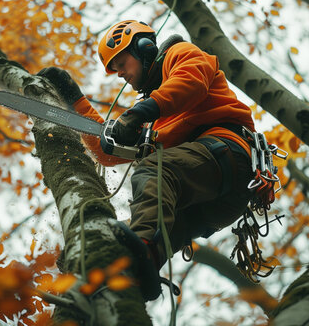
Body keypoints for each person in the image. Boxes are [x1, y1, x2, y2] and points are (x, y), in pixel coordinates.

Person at [38, 20, 255, 301]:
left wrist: (139, 113)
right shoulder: (157, 116)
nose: (121, 75)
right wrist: (74, 99)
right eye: (115, 70)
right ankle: (127, 282)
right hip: (210, 203)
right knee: (117, 240)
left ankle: (140, 251)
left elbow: (190, 83)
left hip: (225, 151)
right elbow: (108, 153)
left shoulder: (179, 55)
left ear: (144, 47)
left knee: (152, 171)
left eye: (122, 64)